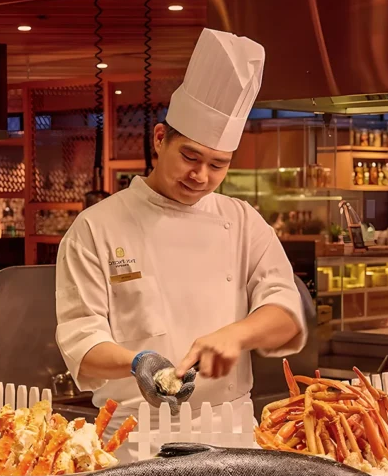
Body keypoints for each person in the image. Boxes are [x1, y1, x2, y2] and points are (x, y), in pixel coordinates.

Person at [55, 28, 307, 425]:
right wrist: (138, 362)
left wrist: (236, 335)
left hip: (231, 429)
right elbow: (81, 340)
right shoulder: (95, 228)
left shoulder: (241, 220)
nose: (201, 176)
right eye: (190, 156)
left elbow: (286, 314)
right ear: (160, 139)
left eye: (218, 164)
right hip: (133, 434)